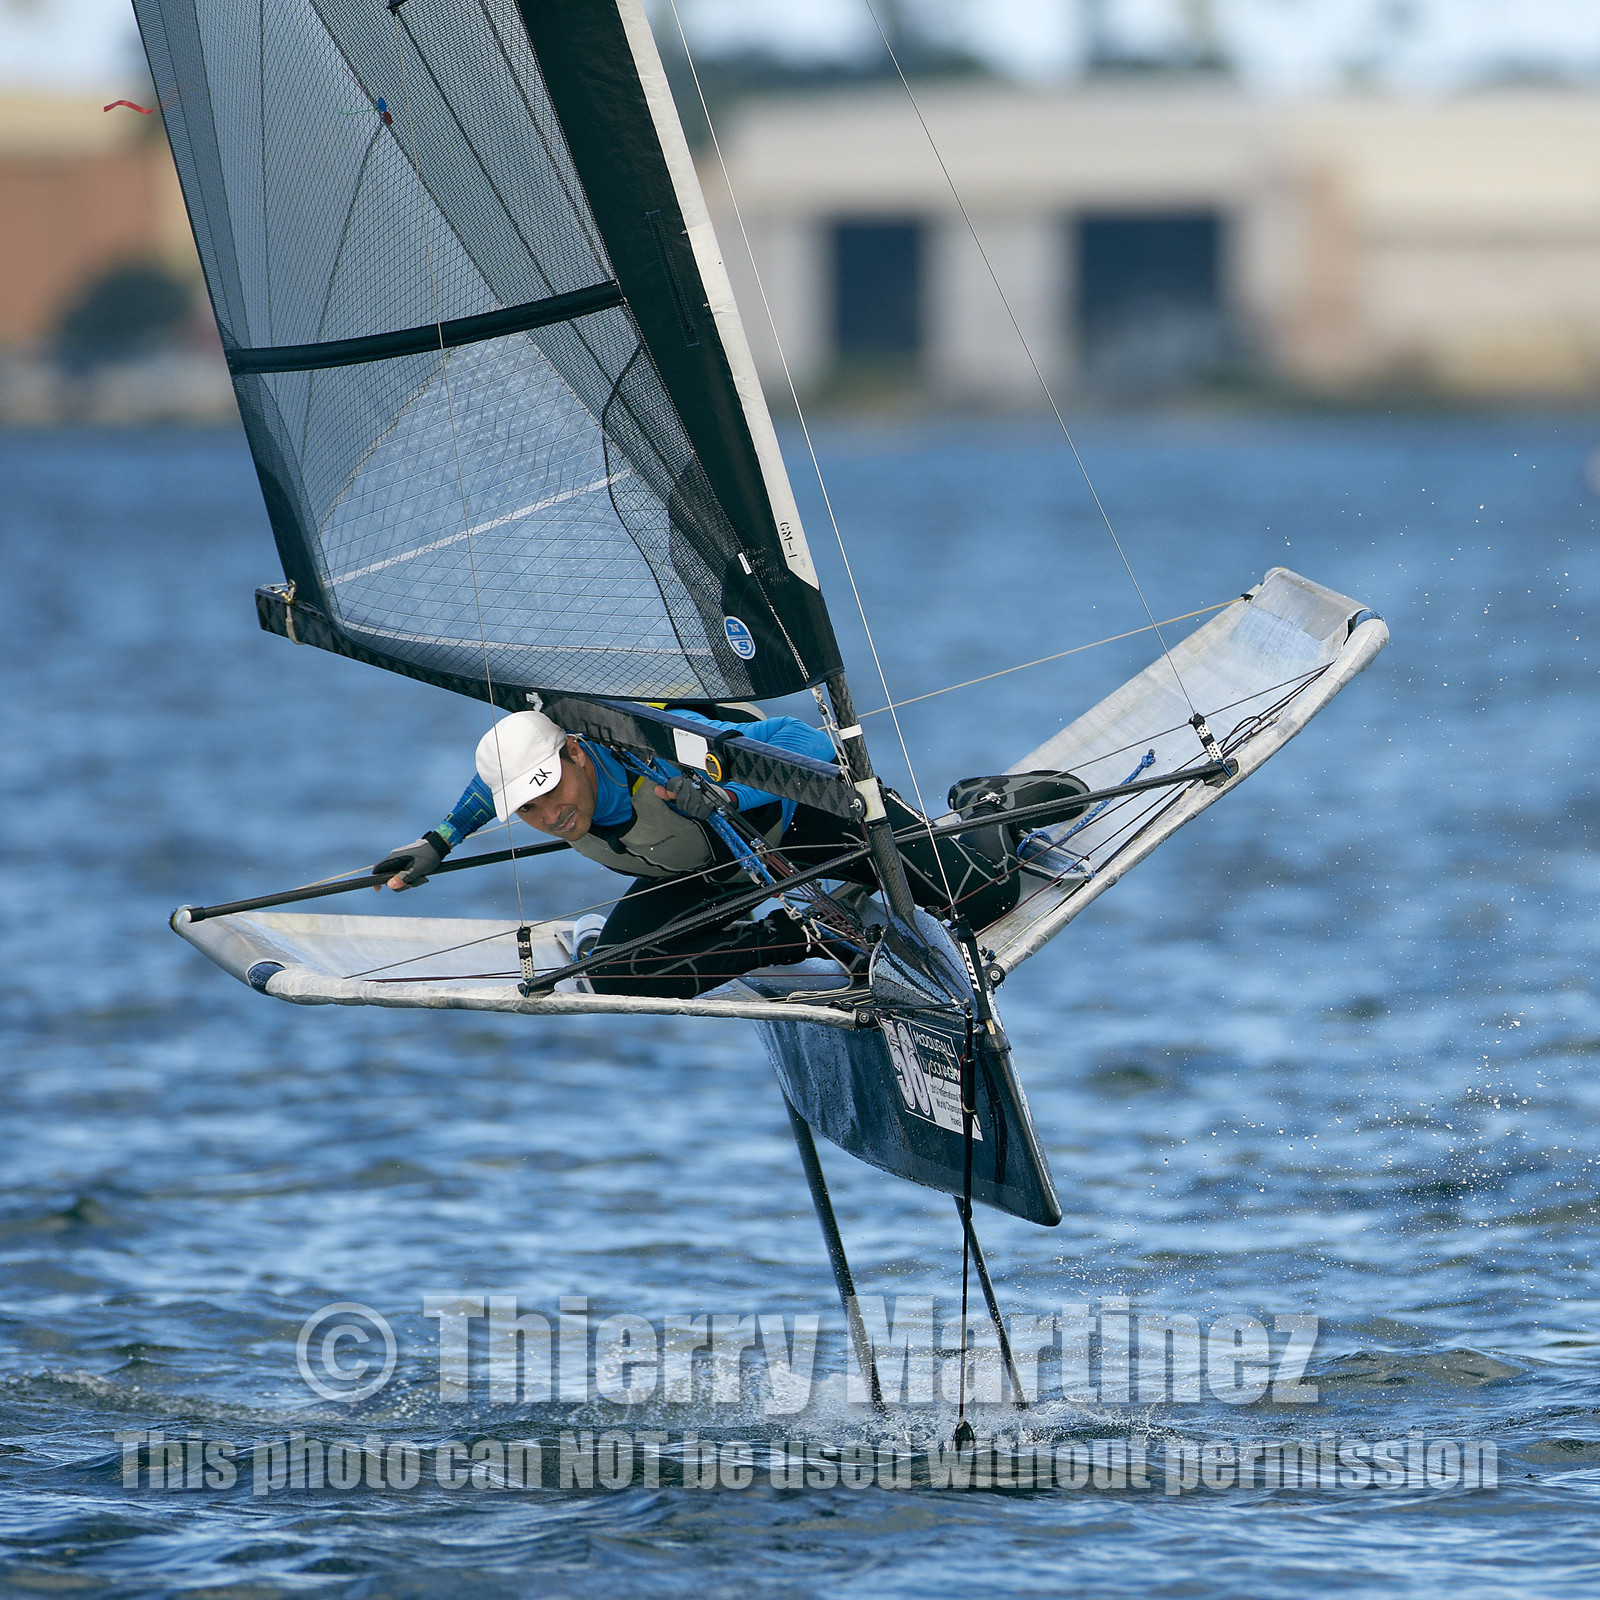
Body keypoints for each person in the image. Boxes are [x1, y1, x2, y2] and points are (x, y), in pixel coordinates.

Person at [377, 708, 1019, 999]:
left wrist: (720, 788)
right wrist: (437, 842)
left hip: (824, 828)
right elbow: (486, 791)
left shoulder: (649, 751)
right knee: (618, 978)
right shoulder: (539, 785)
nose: (550, 817)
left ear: (575, 751)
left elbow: (808, 744)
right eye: (529, 809)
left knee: (989, 899)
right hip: (720, 875)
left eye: (550, 793)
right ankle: (805, 940)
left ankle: (985, 809)